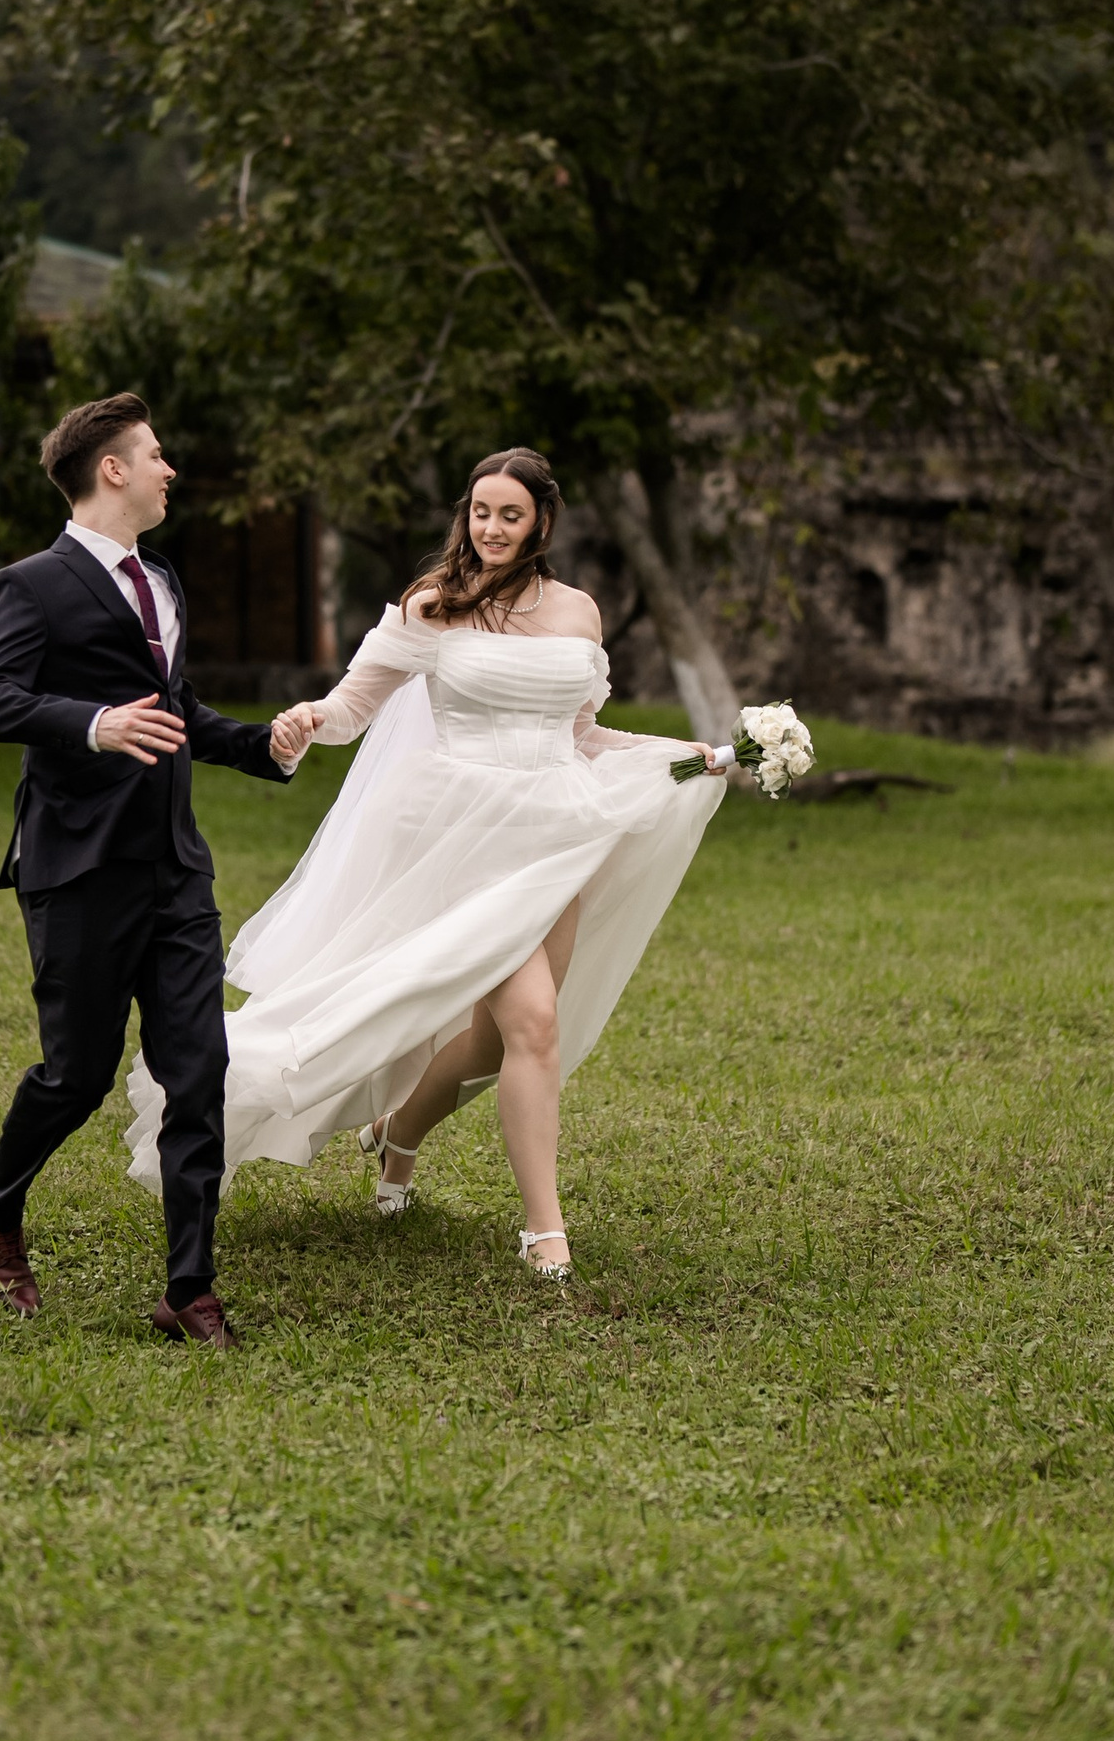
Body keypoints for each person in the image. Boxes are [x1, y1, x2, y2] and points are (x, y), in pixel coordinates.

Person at [123, 447, 732, 1281]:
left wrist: (682, 754)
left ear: (542, 522)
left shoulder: (579, 612)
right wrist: (306, 719)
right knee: (535, 1024)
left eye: (510, 515)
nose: (491, 529)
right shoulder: (432, 606)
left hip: (558, 830)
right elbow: (351, 706)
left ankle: (398, 1133)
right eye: (480, 512)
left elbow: (582, 734)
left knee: (492, 1042)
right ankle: (544, 1230)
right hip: (464, 834)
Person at [0, 393, 294, 1349]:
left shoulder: (164, 580)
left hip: (174, 866)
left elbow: (174, 710)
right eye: (155, 454)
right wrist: (93, 723)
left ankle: (190, 1288)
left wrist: (263, 744)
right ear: (112, 469)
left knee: (201, 1069)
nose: (168, 469)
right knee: (78, 1073)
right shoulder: (32, 584)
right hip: (78, 865)